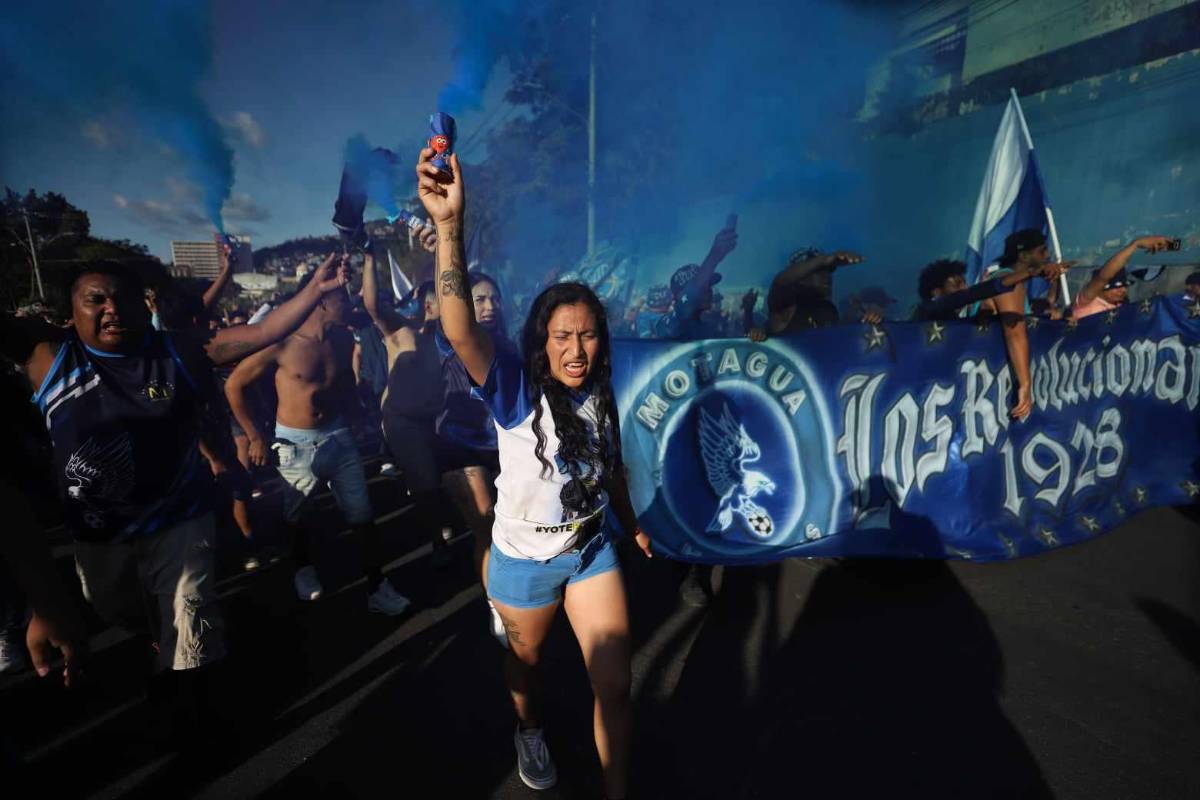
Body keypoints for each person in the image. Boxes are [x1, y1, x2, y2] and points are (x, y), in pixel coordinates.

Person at [418, 145, 652, 799]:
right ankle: (528, 729)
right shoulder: (514, 389)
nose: (577, 350)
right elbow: (460, 327)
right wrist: (448, 229)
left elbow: (613, 466)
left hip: (591, 549)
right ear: (541, 342)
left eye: (588, 335)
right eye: (563, 337)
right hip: (523, 557)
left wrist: (629, 527)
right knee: (525, 666)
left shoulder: (601, 390)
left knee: (616, 684)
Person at [5, 252, 348, 681]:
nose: (111, 309)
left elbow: (260, 331)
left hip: (180, 521)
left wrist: (314, 289)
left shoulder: (176, 352)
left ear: (140, 306)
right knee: (118, 611)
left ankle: (196, 704)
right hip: (101, 534)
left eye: (123, 299)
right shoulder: (49, 358)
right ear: (71, 314)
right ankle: (160, 643)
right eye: (96, 300)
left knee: (191, 630)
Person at [225, 257, 410, 614]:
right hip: (295, 444)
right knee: (298, 516)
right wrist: (255, 435)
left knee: (362, 514)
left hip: (338, 436)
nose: (350, 304)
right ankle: (304, 570)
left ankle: (377, 586)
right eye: (343, 298)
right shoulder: (283, 343)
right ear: (321, 301)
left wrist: (358, 413)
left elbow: (340, 383)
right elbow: (234, 385)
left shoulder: (343, 338)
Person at [361, 255, 456, 571]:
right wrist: (370, 257)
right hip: (403, 421)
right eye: (440, 301)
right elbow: (373, 304)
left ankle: (438, 519)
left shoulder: (447, 338)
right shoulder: (399, 332)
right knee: (426, 482)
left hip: (437, 421)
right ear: (429, 306)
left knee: (439, 480)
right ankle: (437, 542)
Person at [912, 258, 1070, 322]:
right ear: (937, 293)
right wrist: (1031, 272)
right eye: (957, 284)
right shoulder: (928, 311)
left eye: (964, 283)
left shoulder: (953, 318)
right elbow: (979, 292)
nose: (964, 288)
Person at [654, 223, 738, 339]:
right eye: (702, 289)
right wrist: (714, 256)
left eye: (709, 287)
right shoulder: (673, 323)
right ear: (680, 297)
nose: (709, 292)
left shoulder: (708, 323)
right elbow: (686, 303)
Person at [1071, 236, 1176, 319]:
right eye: (1117, 286)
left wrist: (1176, 244)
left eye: (1125, 285)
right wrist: (1136, 244)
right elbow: (1103, 276)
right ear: (1100, 288)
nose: (1123, 290)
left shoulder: (1123, 307)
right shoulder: (1086, 300)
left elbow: (1183, 246)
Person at [765, 247, 864, 333]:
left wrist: (866, 317)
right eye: (819, 272)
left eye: (828, 271)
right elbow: (782, 281)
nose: (827, 277)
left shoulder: (828, 310)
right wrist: (823, 260)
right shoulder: (785, 308)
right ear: (801, 277)